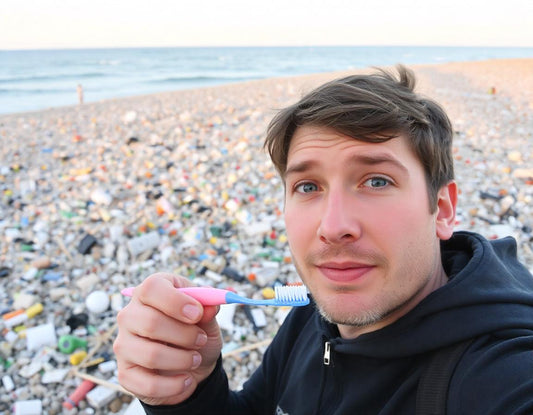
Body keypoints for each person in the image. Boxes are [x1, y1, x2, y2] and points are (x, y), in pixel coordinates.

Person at [113, 65, 533, 414]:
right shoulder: (312, 315)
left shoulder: (497, 374)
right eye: (308, 187)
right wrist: (188, 392)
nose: (333, 227)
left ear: (441, 209)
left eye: (376, 180)